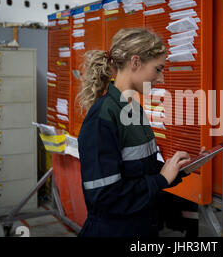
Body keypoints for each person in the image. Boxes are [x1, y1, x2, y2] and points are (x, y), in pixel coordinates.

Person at [76, 28, 198, 237]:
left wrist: (177, 170)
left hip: (141, 227)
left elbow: (141, 170)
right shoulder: (102, 118)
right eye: (157, 69)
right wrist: (161, 180)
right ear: (135, 63)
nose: (161, 79)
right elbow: (104, 197)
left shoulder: (133, 109)